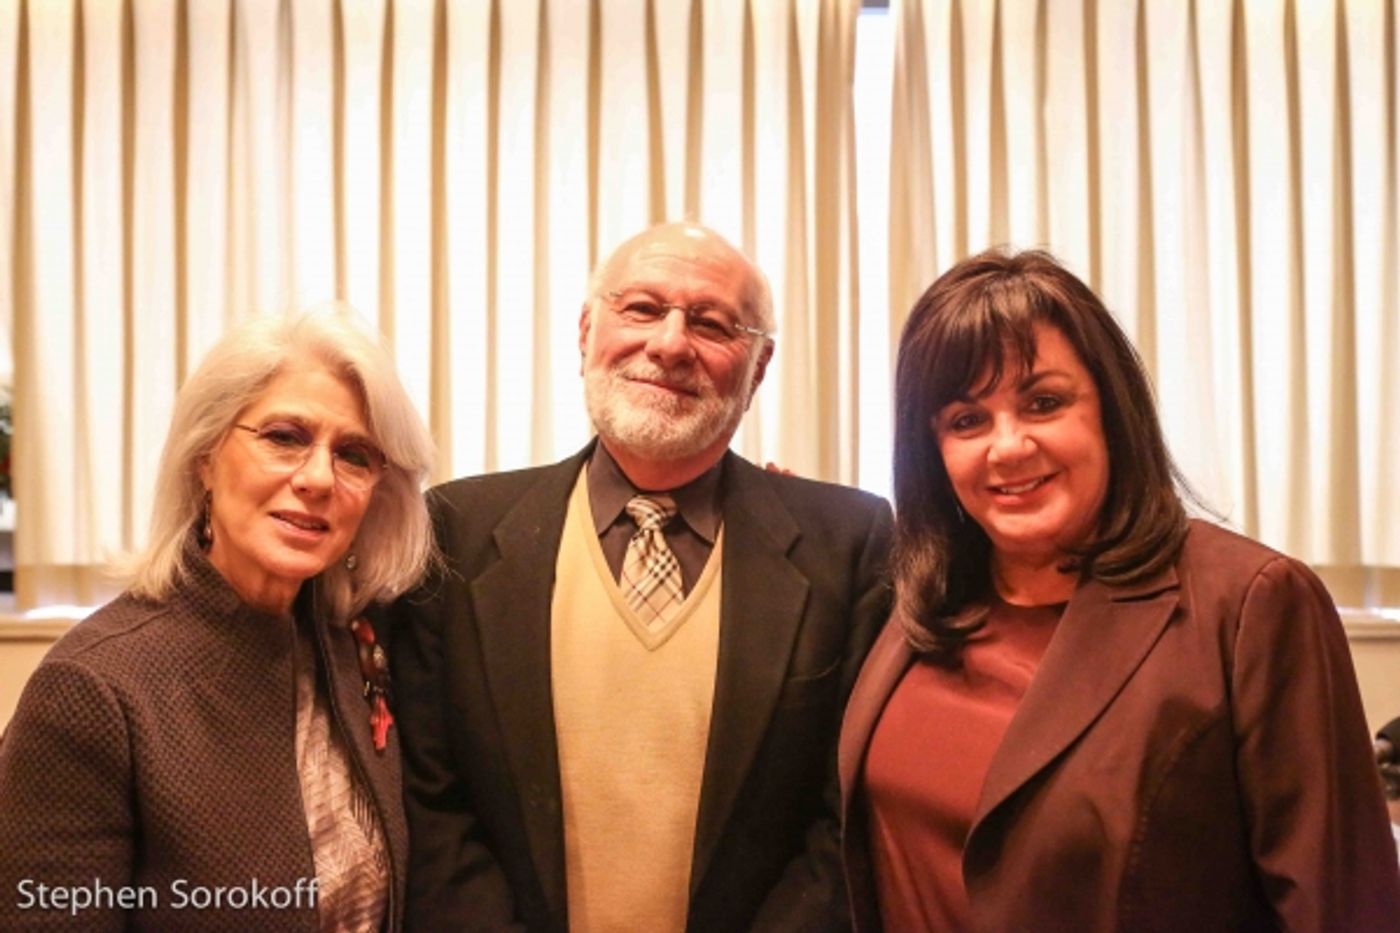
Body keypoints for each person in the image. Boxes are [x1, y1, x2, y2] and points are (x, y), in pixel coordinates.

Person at [838, 250, 1400, 931]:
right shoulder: (919, 603)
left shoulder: (1251, 604)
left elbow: (1341, 907)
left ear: (1110, 408)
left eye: (1043, 402)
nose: (1007, 446)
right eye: (966, 420)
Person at [392, 222, 893, 932]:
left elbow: (842, 820)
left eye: (713, 323)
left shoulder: (851, 545)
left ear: (759, 366)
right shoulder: (457, 533)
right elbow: (434, 805)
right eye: (642, 309)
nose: (669, 343)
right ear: (586, 330)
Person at [0, 311, 435, 931]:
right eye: (285, 436)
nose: (317, 478)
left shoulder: (350, 646)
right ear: (205, 457)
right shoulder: (92, 689)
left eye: (354, 455)